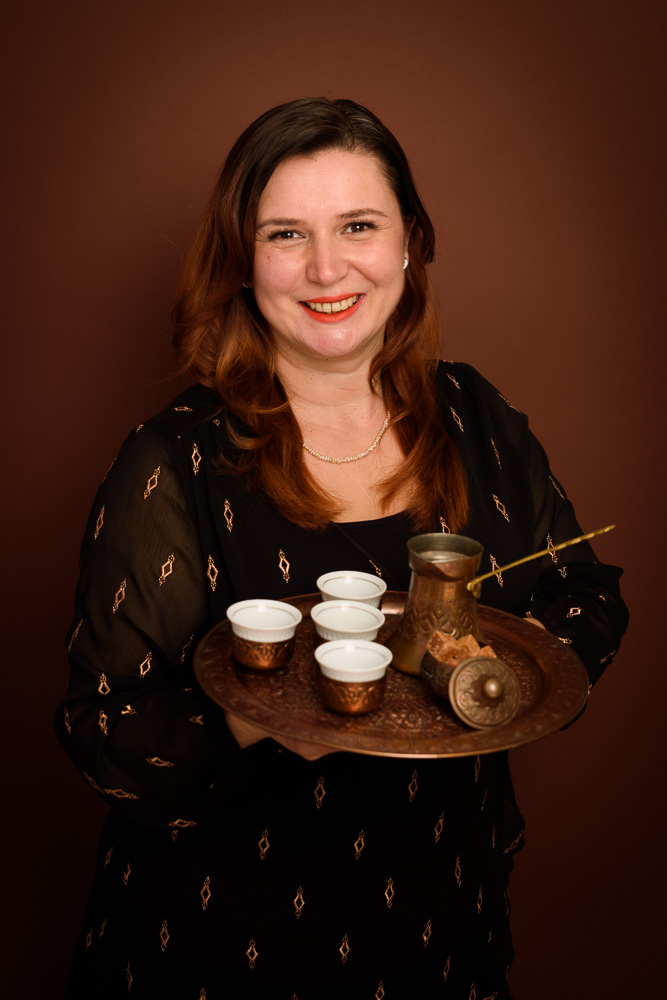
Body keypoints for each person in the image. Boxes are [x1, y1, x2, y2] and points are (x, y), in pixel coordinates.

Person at [55, 97, 628, 999]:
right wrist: (272, 714)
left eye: (358, 225)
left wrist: (482, 678)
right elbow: (105, 732)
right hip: (222, 937)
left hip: (443, 916)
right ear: (243, 261)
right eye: (285, 234)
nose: (326, 268)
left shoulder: (476, 415)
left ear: (409, 242)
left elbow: (583, 594)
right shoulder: (173, 460)